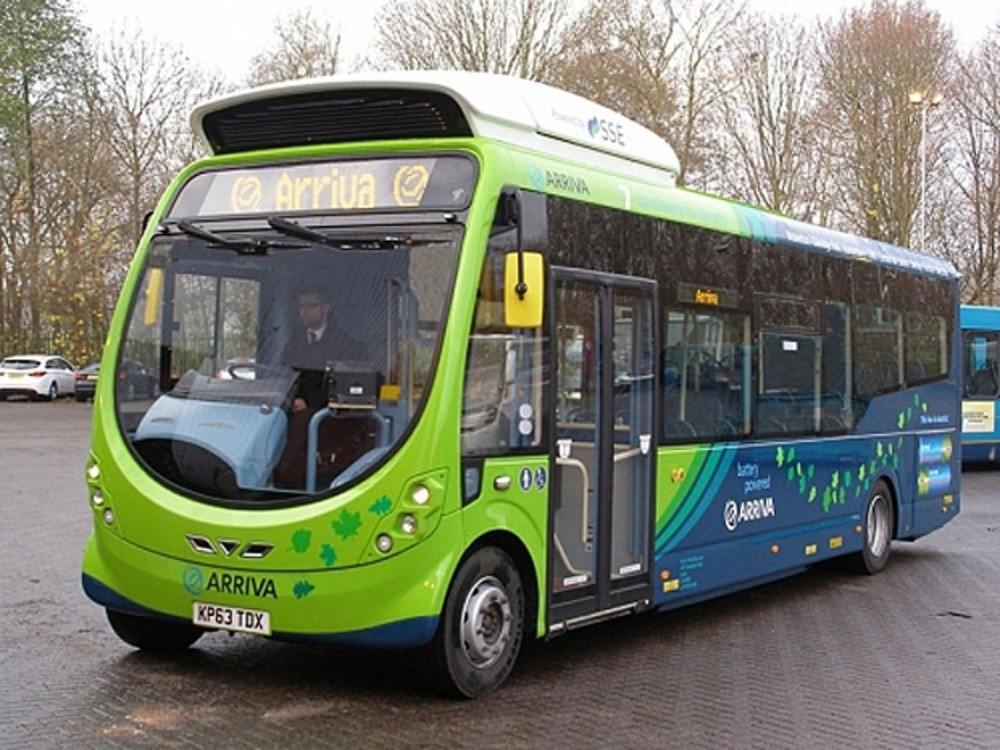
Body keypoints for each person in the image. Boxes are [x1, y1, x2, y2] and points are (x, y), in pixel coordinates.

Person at [274, 283, 374, 488]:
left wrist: (309, 402)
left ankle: (283, 475)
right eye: (302, 307)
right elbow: (282, 373)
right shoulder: (294, 342)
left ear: (326, 308)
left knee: (302, 421)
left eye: (311, 305)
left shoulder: (349, 346)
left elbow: (348, 386)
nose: (305, 312)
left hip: (330, 414)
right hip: (291, 404)